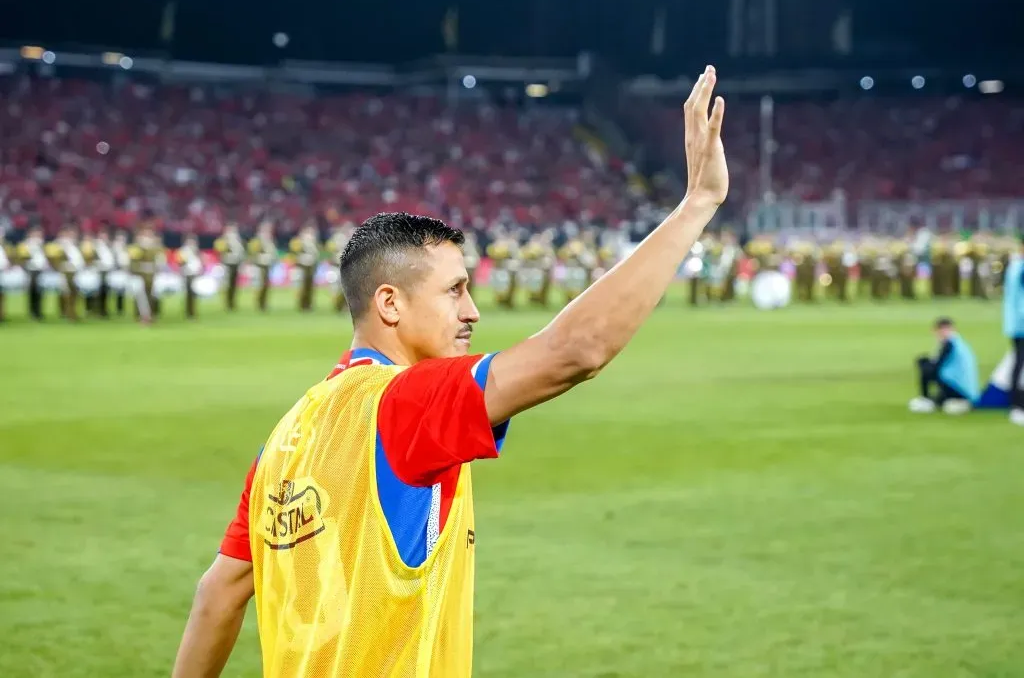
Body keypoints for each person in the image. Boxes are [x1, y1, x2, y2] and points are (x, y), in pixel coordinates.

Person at [171, 65, 728, 678]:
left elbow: (218, 594)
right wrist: (695, 206)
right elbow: (577, 351)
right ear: (390, 303)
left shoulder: (284, 439)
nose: (473, 311)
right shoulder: (404, 403)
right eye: (454, 292)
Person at [909, 317, 979, 415]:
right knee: (926, 364)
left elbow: (936, 366)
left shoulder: (949, 344)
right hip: (963, 387)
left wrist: (923, 364)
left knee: (925, 368)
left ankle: (925, 399)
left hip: (958, 386)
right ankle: (938, 399)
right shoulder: (958, 342)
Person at [1003, 239, 1024, 425]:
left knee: (1018, 362)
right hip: (1021, 323)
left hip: (1015, 323)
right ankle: (1017, 405)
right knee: (1019, 363)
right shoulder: (1021, 268)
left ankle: (1016, 404)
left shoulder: (1014, 266)